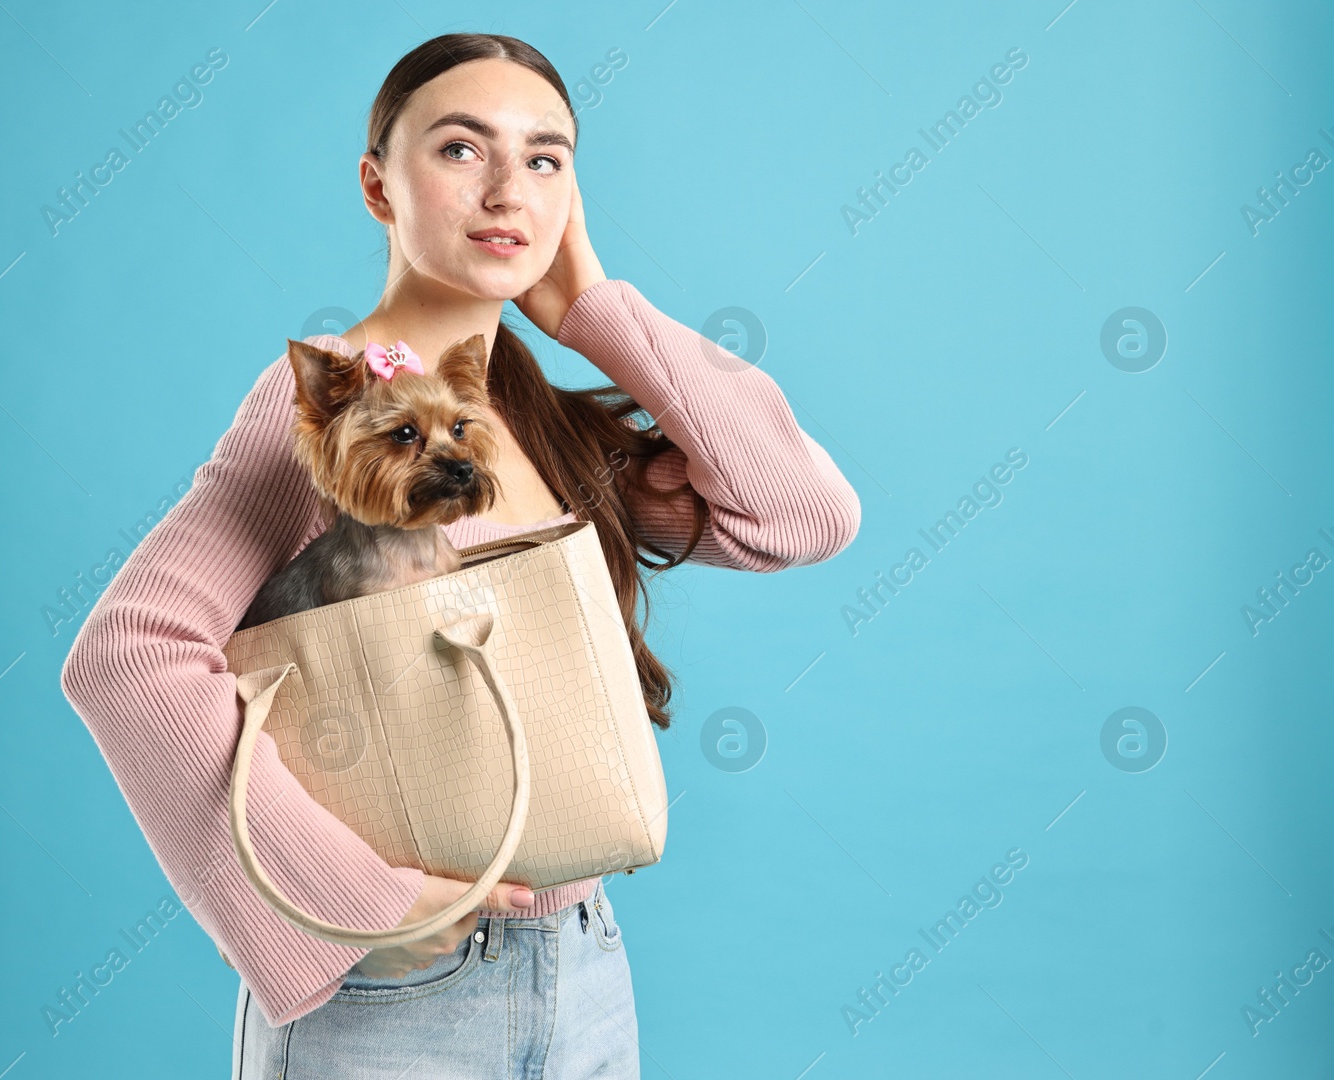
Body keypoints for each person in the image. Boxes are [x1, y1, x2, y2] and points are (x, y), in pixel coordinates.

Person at [59, 31, 862, 1079]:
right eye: (458, 149)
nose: (505, 191)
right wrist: (355, 907)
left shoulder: (528, 420)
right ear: (377, 185)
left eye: (543, 159)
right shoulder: (337, 398)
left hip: (584, 965)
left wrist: (595, 311)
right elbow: (127, 657)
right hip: (400, 992)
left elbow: (801, 516)